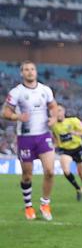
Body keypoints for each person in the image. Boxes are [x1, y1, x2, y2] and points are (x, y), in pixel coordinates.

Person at [1, 60, 58, 220]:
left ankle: (45, 203)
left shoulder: (45, 90)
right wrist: (17, 116)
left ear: (36, 72)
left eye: (32, 69)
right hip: (25, 138)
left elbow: (53, 106)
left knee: (50, 171)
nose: (30, 72)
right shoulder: (16, 92)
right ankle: (28, 206)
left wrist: (53, 118)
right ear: (22, 73)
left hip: (43, 135)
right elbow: (5, 112)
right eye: (26, 69)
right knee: (27, 175)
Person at [51, 104, 82, 202]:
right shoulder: (53, 125)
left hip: (77, 148)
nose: (58, 113)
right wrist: (53, 146)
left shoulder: (73, 121)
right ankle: (78, 188)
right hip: (65, 150)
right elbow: (57, 139)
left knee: (81, 173)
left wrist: (77, 133)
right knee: (66, 170)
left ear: (64, 112)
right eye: (56, 111)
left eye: (60, 110)